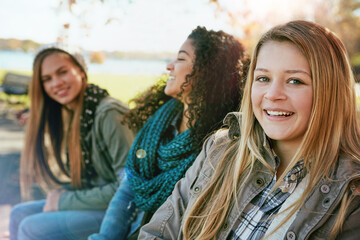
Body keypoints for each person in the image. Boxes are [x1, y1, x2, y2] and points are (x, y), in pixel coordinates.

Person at [139, 20, 360, 240]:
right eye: (263, 78)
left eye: (295, 81)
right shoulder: (220, 148)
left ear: (331, 90)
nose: (273, 94)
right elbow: (157, 232)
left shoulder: (351, 197)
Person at [88, 26, 249, 240]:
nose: (169, 66)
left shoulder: (219, 143)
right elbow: (128, 188)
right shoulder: (160, 121)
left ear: (207, 69)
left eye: (181, 59)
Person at [9, 43, 135, 240]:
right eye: (47, 79)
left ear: (81, 71)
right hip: (100, 202)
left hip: (122, 212)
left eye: (63, 72)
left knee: (31, 227)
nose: (56, 83)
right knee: (19, 213)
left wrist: (65, 201)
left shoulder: (109, 114)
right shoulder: (73, 113)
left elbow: (130, 186)